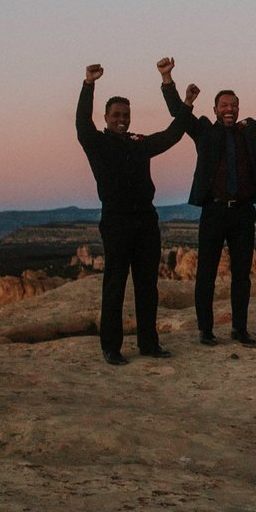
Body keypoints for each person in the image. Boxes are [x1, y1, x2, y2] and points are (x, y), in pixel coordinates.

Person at [158, 56, 256, 347]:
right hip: (214, 210)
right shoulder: (204, 132)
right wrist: (168, 80)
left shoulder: (249, 131)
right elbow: (179, 115)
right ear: (215, 109)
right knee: (206, 275)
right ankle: (205, 330)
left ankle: (239, 329)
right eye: (224, 105)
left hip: (243, 213)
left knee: (241, 277)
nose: (230, 109)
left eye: (234, 105)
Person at [75, 63, 190, 366]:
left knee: (146, 284)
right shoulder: (97, 143)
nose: (122, 119)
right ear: (106, 118)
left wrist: (187, 104)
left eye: (125, 115)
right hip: (116, 220)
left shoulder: (139, 143)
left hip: (146, 220)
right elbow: (81, 124)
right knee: (115, 283)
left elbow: (172, 135)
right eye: (116, 115)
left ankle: (149, 343)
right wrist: (88, 84)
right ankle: (111, 347)